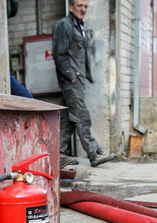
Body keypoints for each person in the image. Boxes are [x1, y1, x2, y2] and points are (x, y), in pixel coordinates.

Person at [52, 0, 116, 168]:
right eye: (80, 6)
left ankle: (58, 154)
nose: (83, 9)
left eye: (86, 6)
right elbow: (59, 55)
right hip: (71, 81)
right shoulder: (64, 25)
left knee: (68, 119)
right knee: (82, 116)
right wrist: (71, 77)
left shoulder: (78, 26)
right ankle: (94, 154)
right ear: (71, 6)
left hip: (78, 80)